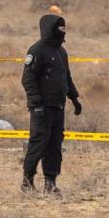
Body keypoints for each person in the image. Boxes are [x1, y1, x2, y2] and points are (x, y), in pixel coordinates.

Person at [21, 14, 81, 195]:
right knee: (38, 143)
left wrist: (74, 98)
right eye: (60, 29)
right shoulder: (37, 51)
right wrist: (36, 103)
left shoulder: (61, 52)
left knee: (55, 145)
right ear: (50, 29)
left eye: (64, 29)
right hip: (41, 109)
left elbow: (66, 78)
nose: (63, 33)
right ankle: (27, 181)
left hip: (58, 107)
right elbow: (28, 79)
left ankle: (50, 182)